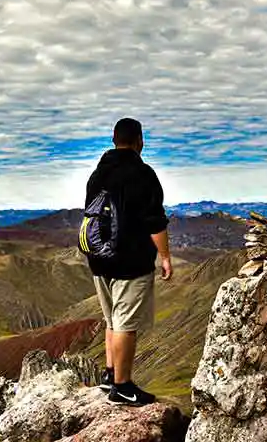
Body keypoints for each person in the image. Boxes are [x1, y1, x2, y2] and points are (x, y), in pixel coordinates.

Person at [83, 117, 173, 406]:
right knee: (125, 324)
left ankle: (110, 376)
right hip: (130, 261)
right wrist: (166, 257)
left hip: (99, 259)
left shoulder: (97, 174)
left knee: (111, 319)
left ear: (113, 140)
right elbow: (154, 221)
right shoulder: (142, 174)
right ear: (139, 141)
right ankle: (122, 387)